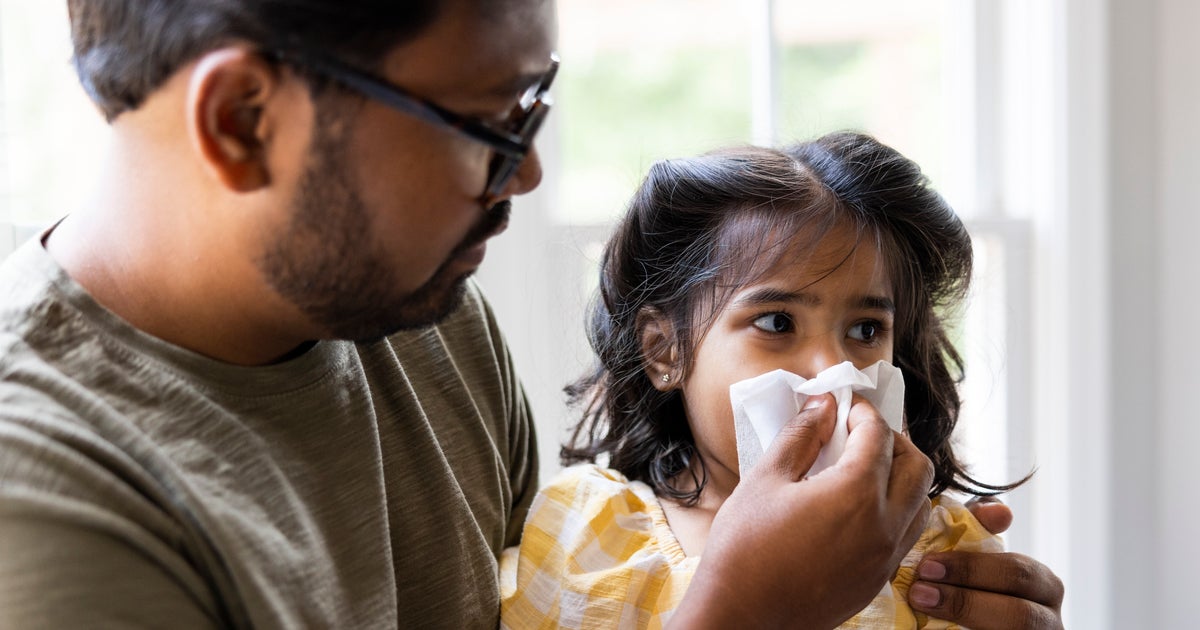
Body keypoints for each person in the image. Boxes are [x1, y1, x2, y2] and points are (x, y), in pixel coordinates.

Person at [0, 0, 1062, 628]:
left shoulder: (426, 324)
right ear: (242, 119)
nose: (527, 174)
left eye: (533, 106)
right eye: (487, 124)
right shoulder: (49, 509)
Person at [500, 133, 1054, 629]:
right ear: (664, 351)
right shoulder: (588, 537)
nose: (832, 370)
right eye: (776, 323)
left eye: (866, 329)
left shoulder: (936, 552)